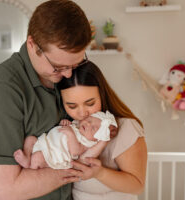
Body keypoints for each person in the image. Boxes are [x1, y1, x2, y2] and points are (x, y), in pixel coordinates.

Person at [0, 0, 92, 199]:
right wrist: (75, 169)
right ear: (32, 45)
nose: (68, 75)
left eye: (75, 64)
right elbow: (7, 191)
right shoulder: (0, 92)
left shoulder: (62, 77)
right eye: (58, 66)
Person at [57, 61, 148, 200]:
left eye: (90, 103)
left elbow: (137, 186)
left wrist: (100, 173)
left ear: (102, 94)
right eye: (72, 106)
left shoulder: (126, 128)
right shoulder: (68, 127)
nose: (82, 113)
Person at [13, 111, 117, 170]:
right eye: (89, 120)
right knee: (30, 139)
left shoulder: (87, 142)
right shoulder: (76, 125)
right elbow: (63, 130)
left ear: (96, 138)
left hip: (53, 154)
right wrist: (65, 123)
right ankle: (27, 157)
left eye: (93, 128)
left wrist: (71, 134)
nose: (88, 124)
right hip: (45, 142)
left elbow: (75, 151)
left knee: (37, 158)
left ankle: (31, 166)